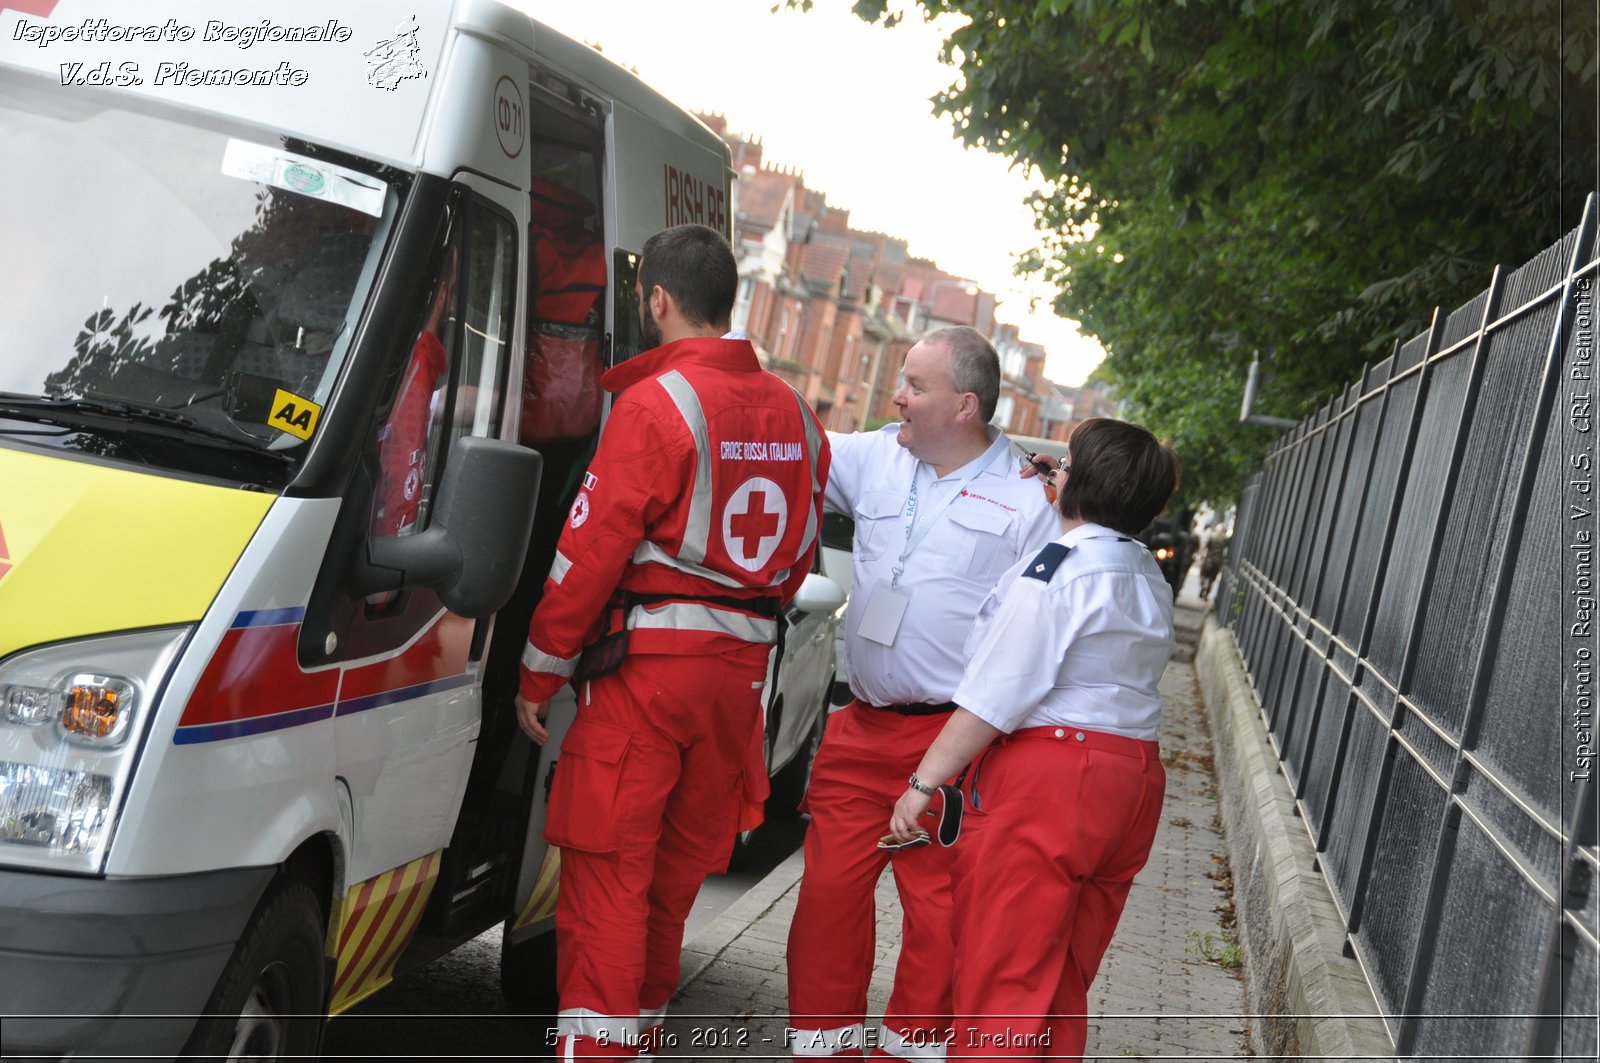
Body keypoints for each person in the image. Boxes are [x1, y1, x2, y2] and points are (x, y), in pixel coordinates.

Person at [513, 223, 830, 1061]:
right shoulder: (801, 417)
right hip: (739, 688)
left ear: (655, 299)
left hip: (646, 679)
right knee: (672, 883)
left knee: (609, 877)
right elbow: (799, 559)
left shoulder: (658, 404)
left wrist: (539, 672)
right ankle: (638, 1040)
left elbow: (589, 552)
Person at [786, 326, 1059, 1061]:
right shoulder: (876, 454)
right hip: (861, 724)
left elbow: (1048, 624)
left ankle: (910, 1054)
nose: (896, 396)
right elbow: (791, 439)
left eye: (914, 385)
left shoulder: (1030, 497)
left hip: (952, 741)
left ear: (964, 405)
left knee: (938, 919)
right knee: (826, 902)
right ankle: (823, 1051)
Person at [887, 417, 1180, 1061]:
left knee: (1004, 984)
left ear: (1080, 481)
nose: (1054, 470)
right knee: (1061, 985)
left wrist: (921, 783)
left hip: (1054, 780)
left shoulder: (1056, 569)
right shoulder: (1144, 573)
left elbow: (996, 694)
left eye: (1066, 463)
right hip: (1131, 778)